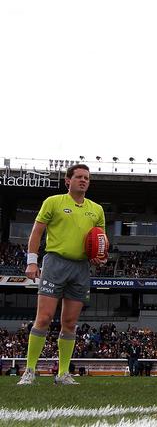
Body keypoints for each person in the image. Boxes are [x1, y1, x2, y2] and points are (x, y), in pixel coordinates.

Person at [17, 164, 107, 385]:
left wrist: (101, 257)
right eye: (78, 177)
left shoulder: (96, 209)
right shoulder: (53, 202)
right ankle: (29, 371)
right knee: (44, 318)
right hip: (55, 263)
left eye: (86, 178)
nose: (83, 180)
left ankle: (63, 373)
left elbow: (101, 240)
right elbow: (37, 231)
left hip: (81, 267)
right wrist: (31, 261)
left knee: (69, 322)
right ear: (68, 181)